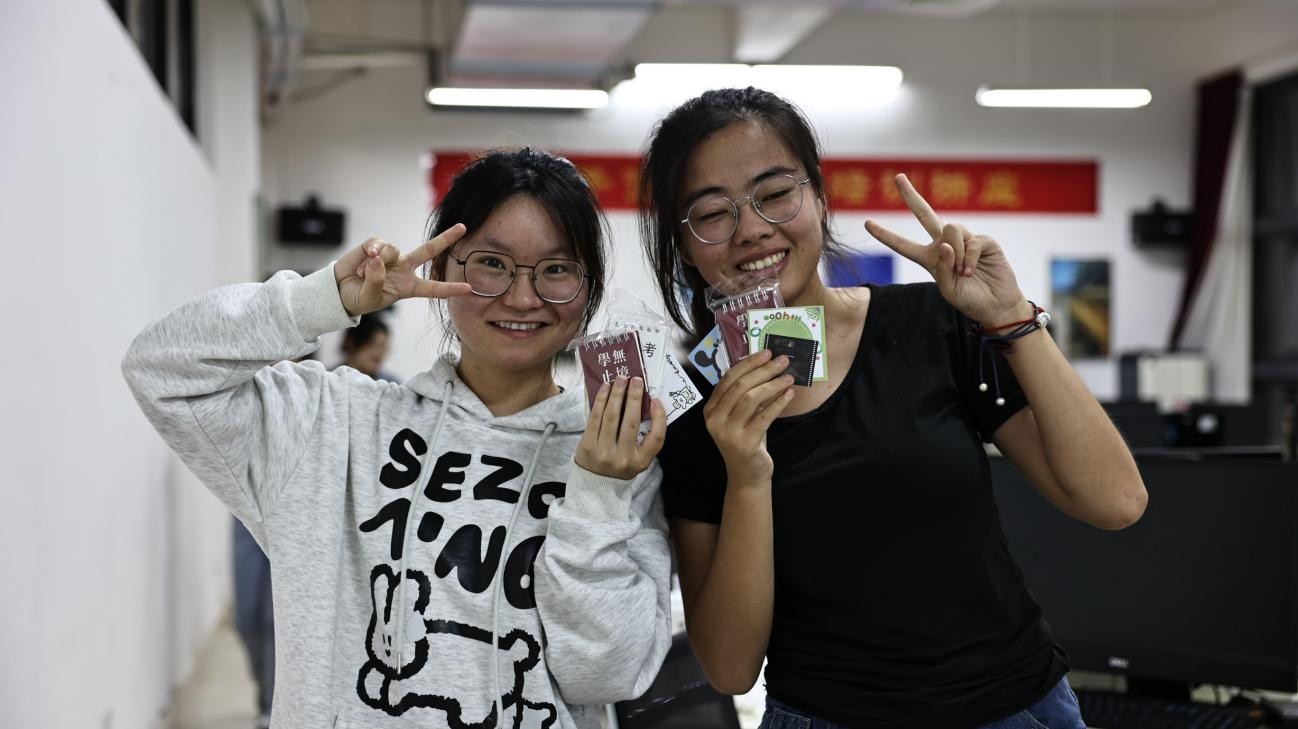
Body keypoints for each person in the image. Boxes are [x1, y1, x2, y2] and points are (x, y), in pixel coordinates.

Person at [640, 87, 1148, 729]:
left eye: (775, 193)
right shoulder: (695, 408)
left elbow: (1115, 501)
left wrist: (1010, 317)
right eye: (713, 213)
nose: (752, 229)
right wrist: (747, 474)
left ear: (819, 197)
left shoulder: (933, 323)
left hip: (1016, 706)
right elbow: (730, 669)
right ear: (683, 244)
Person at [123, 148, 672, 729]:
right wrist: (322, 301)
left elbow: (606, 676)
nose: (522, 297)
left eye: (556, 270)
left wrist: (597, 496)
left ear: (589, 287)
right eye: (492, 263)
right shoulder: (334, 424)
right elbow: (162, 368)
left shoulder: (616, 455)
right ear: (441, 270)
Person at [339, 312, 397, 382]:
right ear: (352, 343)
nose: (381, 352)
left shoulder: (391, 384)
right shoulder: (329, 379)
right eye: (375, 344)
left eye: (384, 346)